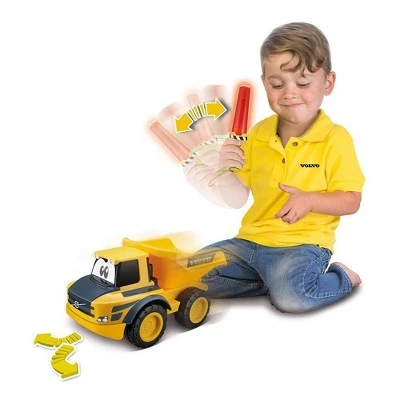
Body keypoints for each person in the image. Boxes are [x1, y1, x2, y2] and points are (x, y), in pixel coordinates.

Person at [184, 22, 364, 313]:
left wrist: (310, 200)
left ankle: (341, 277)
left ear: (328, 83)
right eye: (277, 84)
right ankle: (270, 280)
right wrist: (225, 168)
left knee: (293, 298)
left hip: (303, 245)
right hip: (249, 242)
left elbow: (352, 200)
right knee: (188, 272)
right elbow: (237, 198)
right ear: (264, 82)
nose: (289, 93)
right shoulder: (257, 134)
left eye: (302, 83)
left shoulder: (335, 138)